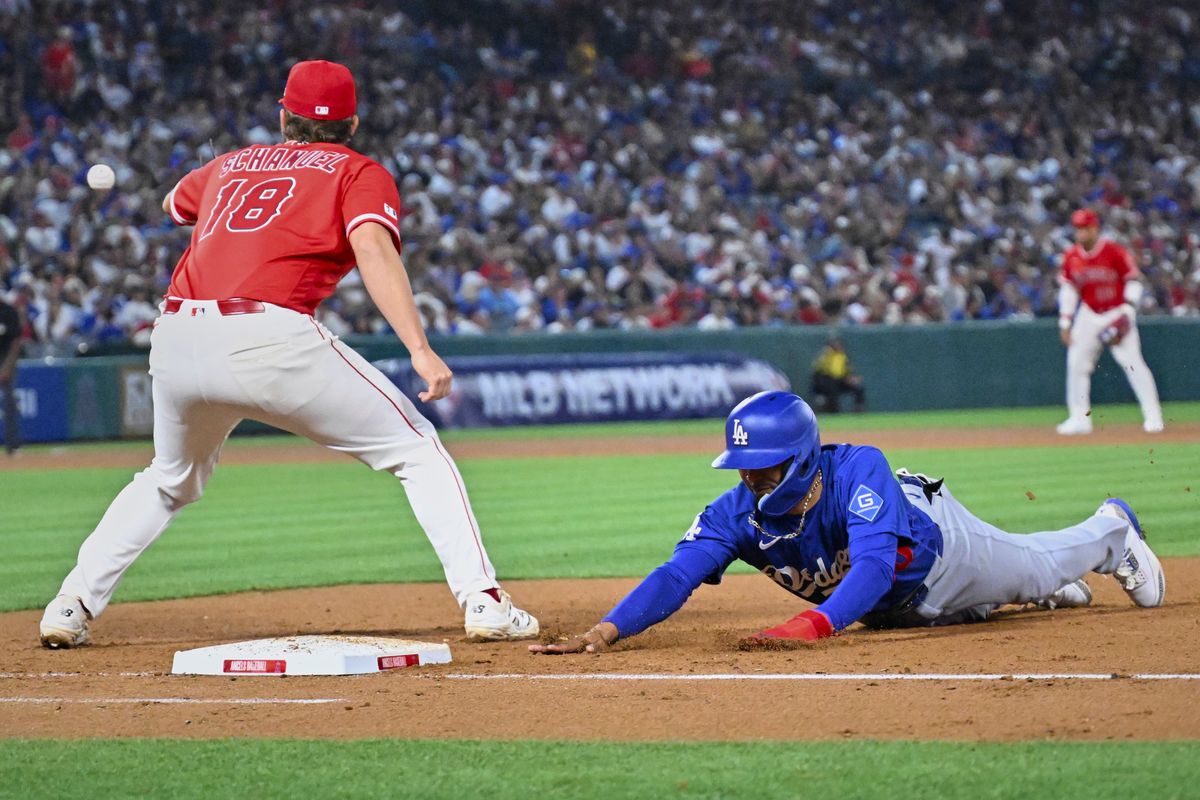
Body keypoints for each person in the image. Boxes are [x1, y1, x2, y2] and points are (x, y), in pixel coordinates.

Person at [39, 60, 538, 648]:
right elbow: (373, 251)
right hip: (269, 335)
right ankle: (483, 601)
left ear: (283, 116)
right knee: (417, 450)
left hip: (175, 336)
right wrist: (420, 349)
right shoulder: (358, 171)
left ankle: (71, 603)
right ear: (352, 123)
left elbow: (176, 203)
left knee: (167, 480)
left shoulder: (231, 163)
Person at [530, 391, 1164, 655]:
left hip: (938, 555)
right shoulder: (736, 512)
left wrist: (811, 625)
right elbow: (678, 574)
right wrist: (607, 631)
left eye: (764, 468)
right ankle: (1034, 594)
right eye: (742, 468)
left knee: (1031, 566)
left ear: (802, 460)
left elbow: (873, 567)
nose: (749, 479)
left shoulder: (859, 470)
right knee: (951, 610)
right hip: (891, 606)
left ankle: (1111, 532)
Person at [1056, 208, 1163, 435]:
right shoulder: (1072, 256)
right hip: (1089, 313)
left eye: (1085, 228)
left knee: (1133, 365)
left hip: (1117, 312)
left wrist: (1127, 313)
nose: (1080, 233)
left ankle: (1153, 417)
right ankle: (1079, 419)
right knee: (1076, 365)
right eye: (1078, 228)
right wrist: (1065, 322)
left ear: (1095, 228)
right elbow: (1069, 290)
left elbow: (1134, 282)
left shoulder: (1114, 251)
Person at [809, 336, 865, 413]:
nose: (838, 345)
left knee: (858, 387)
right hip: (826, 381)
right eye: (835, 343)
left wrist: (852, 377)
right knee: (831, 388)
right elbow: (818, 369)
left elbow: (848, 370)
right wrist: (826, 354)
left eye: (839, 343)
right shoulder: (826, 354)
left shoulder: (843, 356)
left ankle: (859, 408)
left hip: (841, 380)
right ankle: (834, 411)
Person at [0, 295, 23, 455]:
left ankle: (12, 445)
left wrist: (7, 366)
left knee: (9, 403)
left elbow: (16, 343)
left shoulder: (8, 312)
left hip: (5, 359)